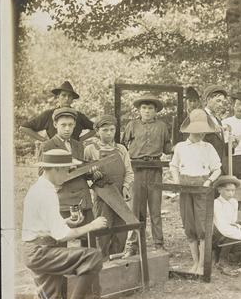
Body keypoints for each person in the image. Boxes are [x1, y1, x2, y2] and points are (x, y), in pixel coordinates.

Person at [20, 149, 108, 299]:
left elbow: (45, 224)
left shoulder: (41, 188)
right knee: (93, 257)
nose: (68, 174)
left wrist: (66, 221)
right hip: (40, 252)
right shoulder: (47, 194)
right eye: (67, 170)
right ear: (55, 170)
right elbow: (62, 236)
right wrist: (92, 225)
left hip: (36, 247)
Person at [169, 109, 222, 275]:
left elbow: (217, 169)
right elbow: (174, 166)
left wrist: (207, 182)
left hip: (202, 187)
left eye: (203, 131)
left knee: (202, 225)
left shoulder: (208, 147)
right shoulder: (180, 147)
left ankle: (202, 265)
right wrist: (177, 182)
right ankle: (195, 262)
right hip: (185, 187)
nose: (201, 134)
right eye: (197, 131)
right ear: (190, 130)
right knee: (189, 224)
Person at [122, 94, 172, 256]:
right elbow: (122, 146)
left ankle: (159, 245)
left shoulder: (162, 126)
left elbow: (167, 147)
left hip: (155, 169)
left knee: (155, 209)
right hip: (136, 169)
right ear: (139, 110)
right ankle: (132, 246)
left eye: (150, 108)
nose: (147, 111)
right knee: (136, 209)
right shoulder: (132, 125)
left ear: (156, 110)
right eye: (144, 108)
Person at [39, 108, 96, 240]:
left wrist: (91, 172)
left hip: (82, 199)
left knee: (88, 239)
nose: (67, 129)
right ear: (55, 125)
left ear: (75, 125)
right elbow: (41, 173)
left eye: (70, 125)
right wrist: (65, 165)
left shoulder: (78, 145)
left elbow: (81, 172)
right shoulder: (47, 145)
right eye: (63, 125)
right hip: (63, 200)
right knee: (60, 240)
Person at [84, 115, 134, 259]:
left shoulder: (121, 149)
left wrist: (125, 187)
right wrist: (92, 176)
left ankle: (116, 261)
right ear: (97, 131)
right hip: (102, 196)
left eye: (112, 130)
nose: (109, 133)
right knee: (102, 229)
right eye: (105, 130)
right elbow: (83, 174)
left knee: (120, 230)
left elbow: (129, 172)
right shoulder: (90, 149)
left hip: (119, 195)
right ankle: (101, 262)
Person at [19, 81, 95, 143]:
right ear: (58, 97)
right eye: (63, 95)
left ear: (72, 99)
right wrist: (45, 141)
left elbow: (96, 128)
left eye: (69, 96)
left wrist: (80, 140)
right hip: (54, 151)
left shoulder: (78, 115)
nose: (66, 98)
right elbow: (24, 127)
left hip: (74, 151)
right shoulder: (49, 115)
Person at [222, 92, 241, 180]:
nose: (240, 108)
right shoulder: (225, 123)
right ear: (233, 106)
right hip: (229, 159)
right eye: (238, 104)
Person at [203, 85, 229, 174]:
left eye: (222, 102)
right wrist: (211, 129)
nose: (220, 105)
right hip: (206, 168)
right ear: (208, 100)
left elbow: (219, 145)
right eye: (218, 101)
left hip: (219, 168)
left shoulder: (218, 120)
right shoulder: (199, 116)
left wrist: (231, 146)